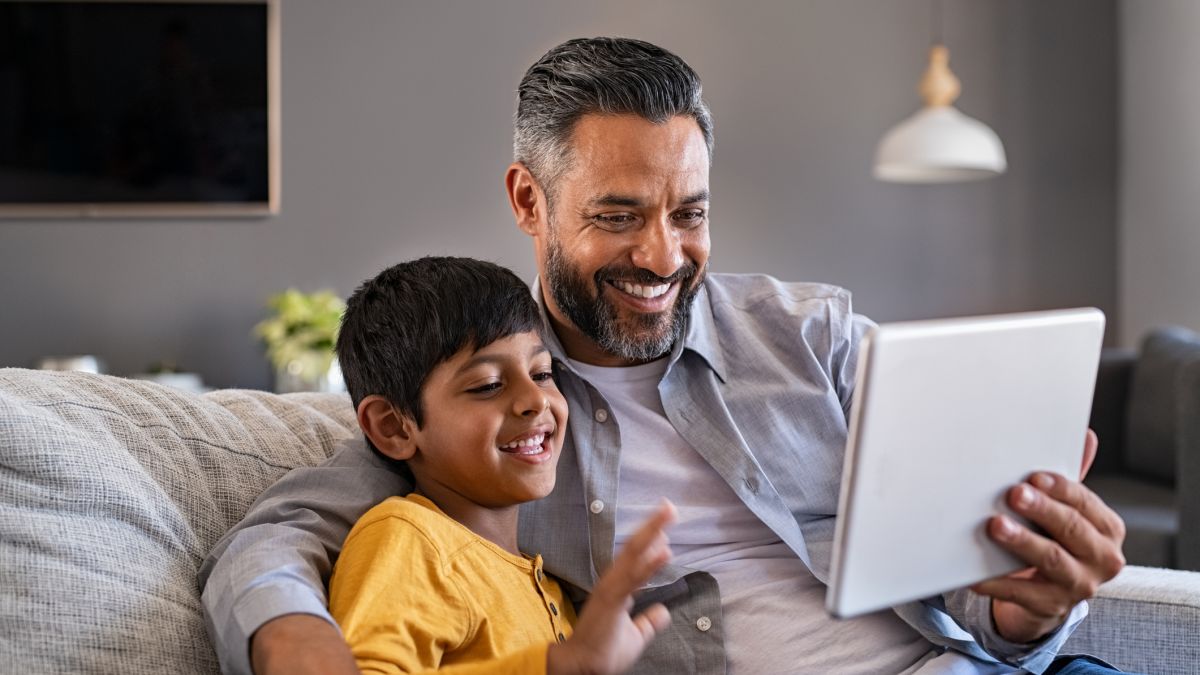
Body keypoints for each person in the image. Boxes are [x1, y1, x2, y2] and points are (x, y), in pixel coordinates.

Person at [200, 37, 1128, 675]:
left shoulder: (818, 338)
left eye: (690, 214)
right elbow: (276, 538)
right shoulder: (491, 405)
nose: (661, 256)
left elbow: (973, 584)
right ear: (529, 201)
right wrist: (294, 642)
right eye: (616, 216)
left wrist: (1028, 608)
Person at [326, 256, 676, 674]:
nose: (536, 400)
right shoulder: (409, 538)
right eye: (488, 385)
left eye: (542, 373)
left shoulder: (548, 585)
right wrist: (563, 665)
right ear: (393, 428)